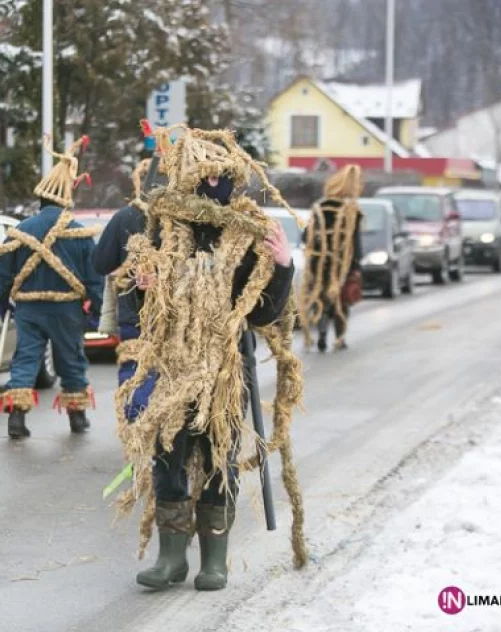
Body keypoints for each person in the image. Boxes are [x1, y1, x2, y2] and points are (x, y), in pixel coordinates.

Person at [106, 125, 306, 592]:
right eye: (206, 177)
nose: (214, 186)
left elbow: (263, 312)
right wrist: (146, 289)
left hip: (224, 372)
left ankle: (214, 561)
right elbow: (143, 310)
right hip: (172, 369)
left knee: (220, 459)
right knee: (167, 456)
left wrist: (282, 266)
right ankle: (171, 558)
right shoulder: (164, 232)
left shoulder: (246, 235)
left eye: (223, 178)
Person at [0, 136, 104, 439]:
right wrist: (95, 309)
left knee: (26, 360)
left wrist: (3, 303)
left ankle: (16, 419)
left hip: (29, 309)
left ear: (40, 201)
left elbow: (3, 273)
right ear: (66, 202)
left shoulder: (20, 231)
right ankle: (77, 418)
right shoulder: (80, 234)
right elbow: (94, 277)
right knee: (71, 361)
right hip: (67, 310)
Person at [298, 165, 364, 352]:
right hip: (342, 264)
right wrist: (356, 266)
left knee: (320, 299)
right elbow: (355, 242)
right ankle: (339, 338)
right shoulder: (351, 212)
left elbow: (306, 236)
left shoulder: (319, 208)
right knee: (341, 301)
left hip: (319, 264)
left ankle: (322, 333)